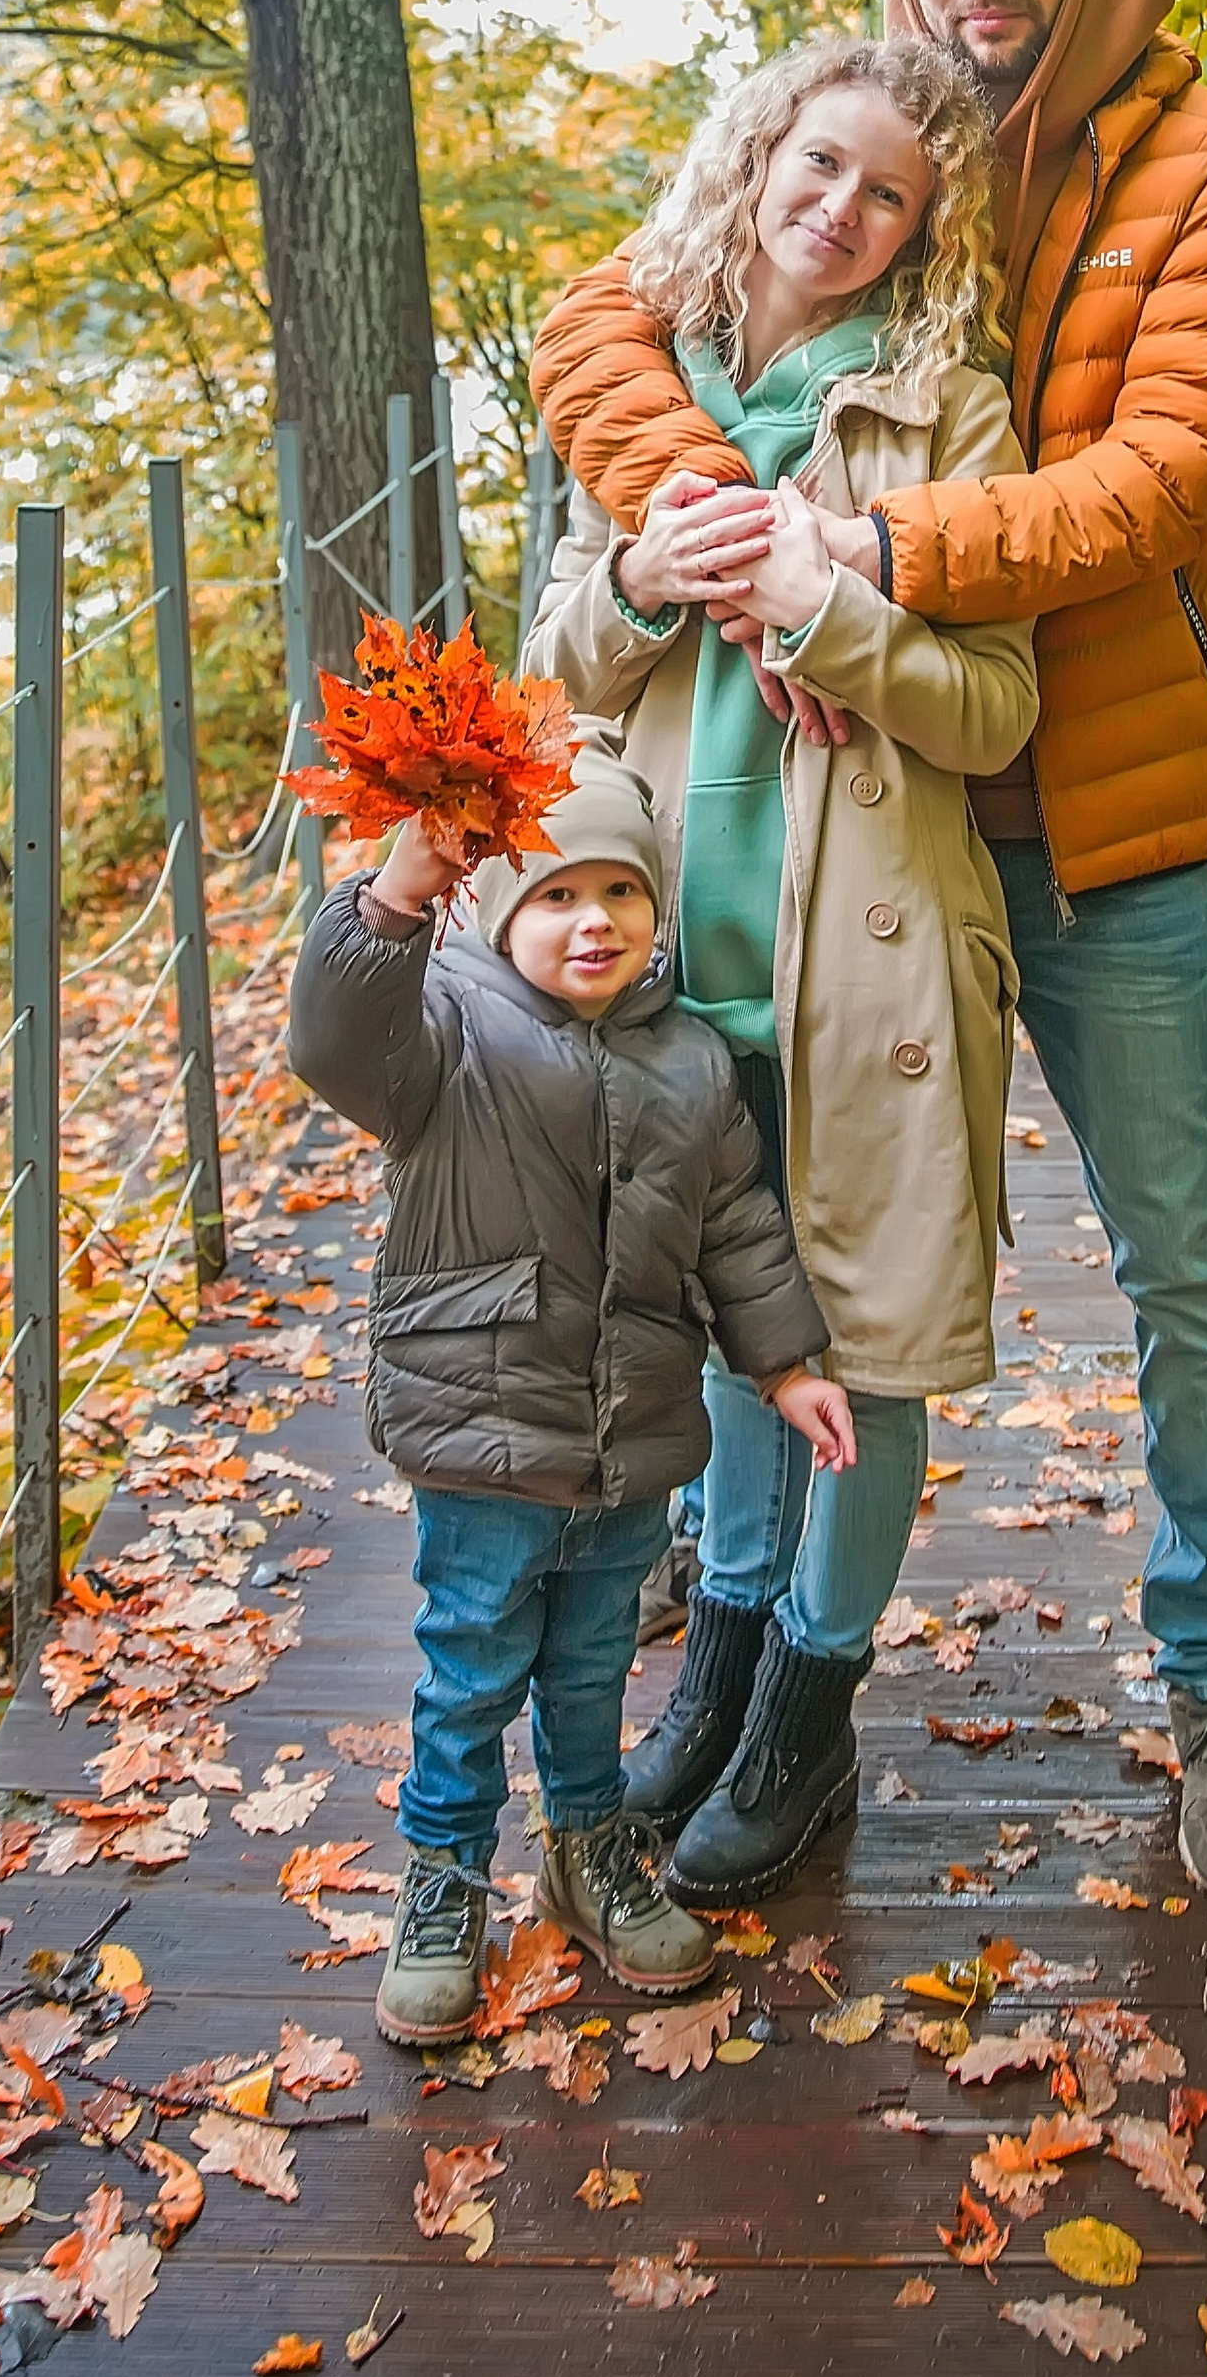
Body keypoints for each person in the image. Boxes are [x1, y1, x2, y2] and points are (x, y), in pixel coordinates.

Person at [530, 0, 1207, 1897]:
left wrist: (840, 553)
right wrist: (708, 523)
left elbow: (1153, 483)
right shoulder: (876, 136)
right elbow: (605, 308)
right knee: (775, 1252)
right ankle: (757, 1641)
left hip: (1102, 815)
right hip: (871, 846)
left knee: (1181, 1267)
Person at [525, 31, 1039, 1904]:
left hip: (876, 969)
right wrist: (650, 577)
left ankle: (808, 1719)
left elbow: (997, 710)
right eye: (819, 166)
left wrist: (833, 613)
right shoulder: (655, 399)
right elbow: (567, 668)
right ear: (758, 159)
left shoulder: (944, 413)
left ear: (921, 231)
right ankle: (725, 1664)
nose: (842, 209)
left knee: (863, 1353)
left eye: (888, 192)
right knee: (736, 1343)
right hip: (669, 956)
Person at [286, 752, 845, 2043]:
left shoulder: (692, 1061)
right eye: (555, 894)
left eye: (618, 891)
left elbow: (738, 1226)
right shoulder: (441, 1032)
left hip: (632, 1437)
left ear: (655, 909)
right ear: (496, 909)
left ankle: (587, 1844)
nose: (591, 918)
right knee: (472, 1662)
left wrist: (787, 1362)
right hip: (483, 1434)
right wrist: (393, 892)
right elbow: (329, 1037)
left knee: (593, 1664)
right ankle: (442, 1877)